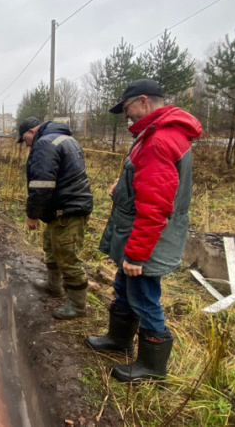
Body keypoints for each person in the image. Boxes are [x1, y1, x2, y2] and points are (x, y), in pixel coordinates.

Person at [85, 79, 202, 383]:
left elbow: (154, 206)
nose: (127, 116)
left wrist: (137, 255)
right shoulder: (155, 134)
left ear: (143, 101)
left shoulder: (158, 140)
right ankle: (119, 339)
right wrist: (122, 188)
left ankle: (152, 365)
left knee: (143, 295)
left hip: (148, 238)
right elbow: (147, 183)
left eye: (127, 109)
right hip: (141, 233)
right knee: (125, 286)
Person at [17, 117, 94, 320]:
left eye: (24, 139)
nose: (25, 144)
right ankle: (53, 286)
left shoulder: (44, 143)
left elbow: (41, 185)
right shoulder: (65, 139)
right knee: (51, 248)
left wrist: (32, 215)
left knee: (68, 257)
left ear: (32, 131)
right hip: (62, 208)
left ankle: (78, 306)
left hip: (67, 210)